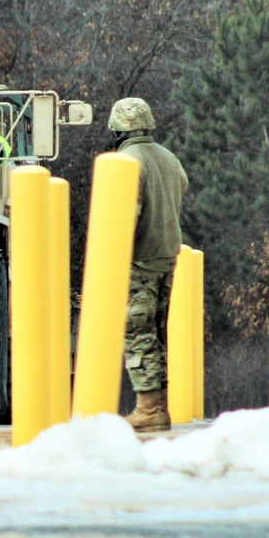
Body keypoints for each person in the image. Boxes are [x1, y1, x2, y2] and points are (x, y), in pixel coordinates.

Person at [110, 97, 189, 433]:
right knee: (156, 332)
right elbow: (181, 190)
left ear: (116, 127)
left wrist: (110, 261)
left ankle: (150, 408)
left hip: (139, 259)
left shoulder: (127, 160)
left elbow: (126, 216)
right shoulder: (169, 158)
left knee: (137, 333)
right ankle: (158, 406)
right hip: (167, 257)